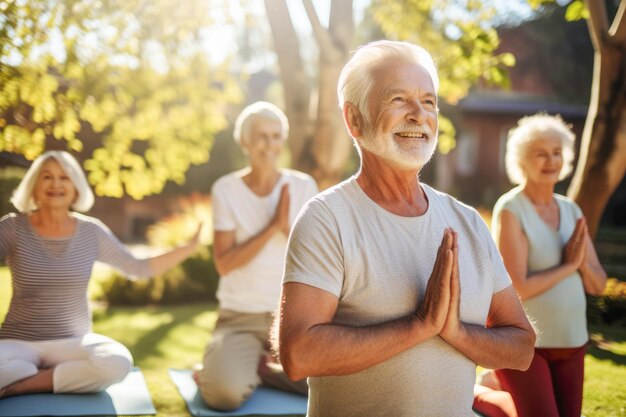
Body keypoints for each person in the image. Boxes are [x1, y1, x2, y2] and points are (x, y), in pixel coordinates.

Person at [273, 40, 536, 417]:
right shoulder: (326, 218)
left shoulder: (467, 222)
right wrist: (420, 324)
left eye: (428, 101)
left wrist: (456, 332)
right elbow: (298, 354)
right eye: (399, 99)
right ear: (354, 119)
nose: (419, 115)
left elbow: (522, 347)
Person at [0, 150, 201, 398]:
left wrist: (188, 247)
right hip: (18, 343)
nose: (55, 184)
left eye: (64, 177)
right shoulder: (12, 227)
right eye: (47, 177)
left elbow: (138, 268)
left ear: (75, 187)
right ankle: (45, 372)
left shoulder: (90, 232)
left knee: (118, 362)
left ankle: (23, 384)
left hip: (73, 343)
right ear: (33, 186)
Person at [194, 101, 318, 411]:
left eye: (276, 136)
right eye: (261, 136)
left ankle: (262, 369)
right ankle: (231, 368)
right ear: (244, 141)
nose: (270, 144)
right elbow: (224, 263)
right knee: (223, 395)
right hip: (240, 317)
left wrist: (287, 229)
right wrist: (272, 226)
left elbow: (316, 259)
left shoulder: (303, 186)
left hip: (294, 318)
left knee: (337, 387)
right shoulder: (226, 189)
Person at [490, 114, 607, 417]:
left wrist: (581, 265)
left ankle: (496, 390)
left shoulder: (571, 209)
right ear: (522, 161)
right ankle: (483, 396)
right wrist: (569, 266)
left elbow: (598, 284)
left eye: (557, 152)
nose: (551, 160)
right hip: (524, 343)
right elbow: (518, 289)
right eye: (540, 153)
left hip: (572, 341)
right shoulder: (511, 209)